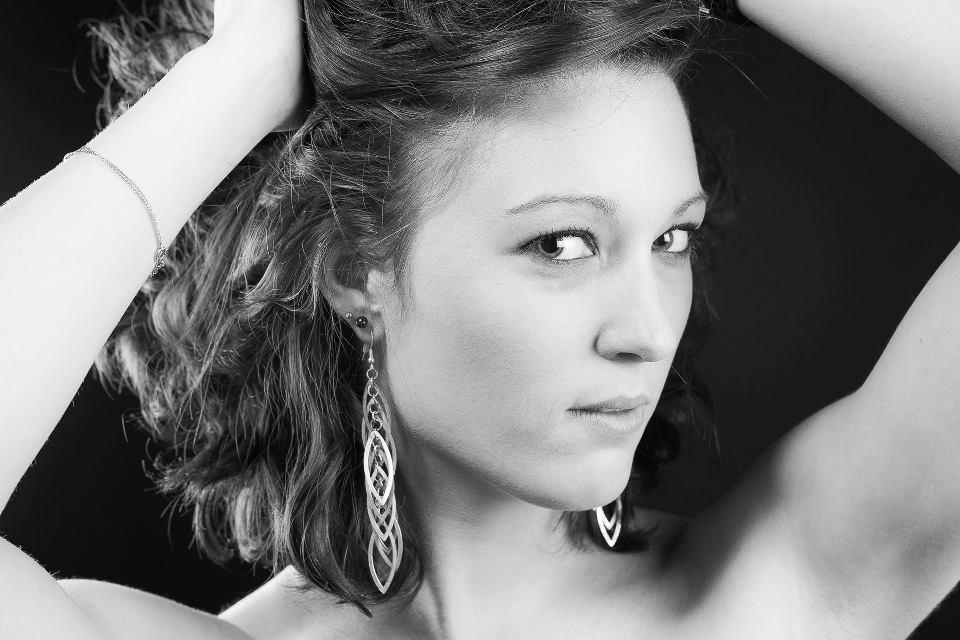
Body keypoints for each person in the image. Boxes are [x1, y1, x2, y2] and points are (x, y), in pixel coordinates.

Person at [1, 0, 958, 638]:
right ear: (355, 274)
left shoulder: (792, 583)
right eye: (563, 244)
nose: (647, 332)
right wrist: (238, 77)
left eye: (671, 240)